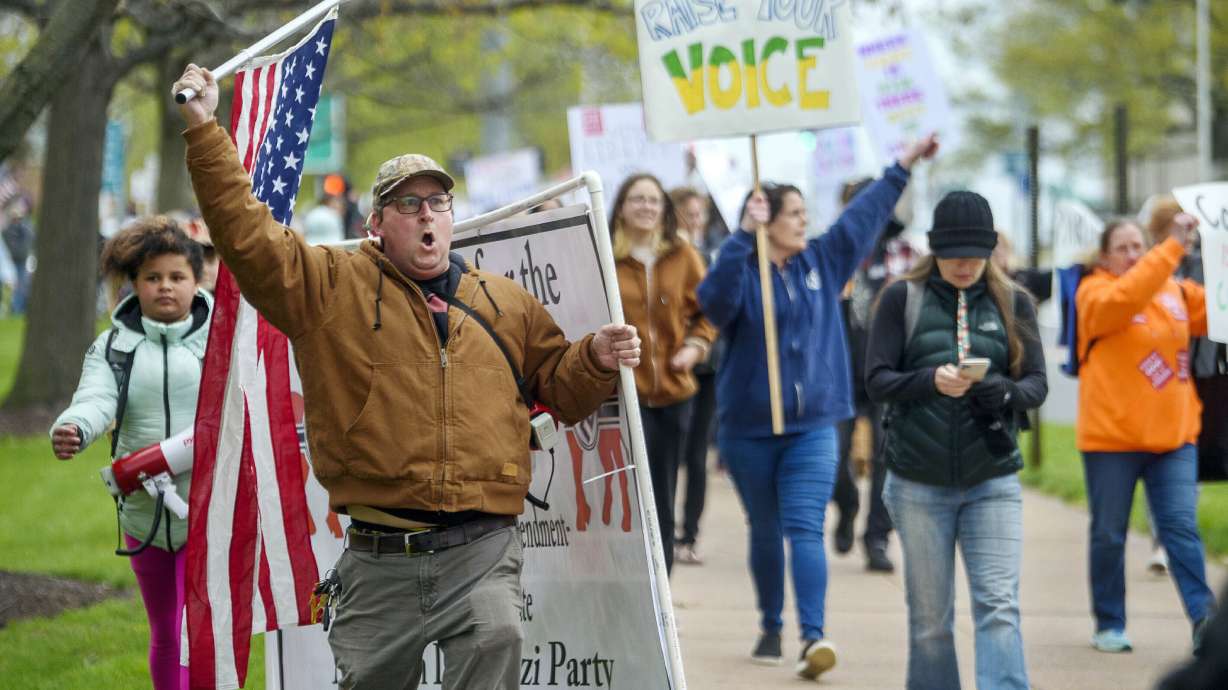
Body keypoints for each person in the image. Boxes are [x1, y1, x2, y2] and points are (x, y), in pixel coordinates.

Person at [172, 64, 640, 689]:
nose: (427, 215)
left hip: (482, 548)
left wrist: (596, 359)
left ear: (452, 215)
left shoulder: (504, 302)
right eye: (409, 203)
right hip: (378, 557)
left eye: (438, 202)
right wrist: (205, 130)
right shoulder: (328, 289)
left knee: (498, 634)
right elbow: (250, 241)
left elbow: (558, 385)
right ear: (376, 223)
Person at [697, 134, 938, 680]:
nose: (805, 221)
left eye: (806, 212)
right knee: (764, 527)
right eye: (794, 214)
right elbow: (713, 302)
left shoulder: (824, 262)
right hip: (748, 428)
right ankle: (770, 624)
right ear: (767, 221)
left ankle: (812, 636)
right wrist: (741, 237)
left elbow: (864, 215)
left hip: (812, 425)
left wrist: (901, 166)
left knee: (804, 525)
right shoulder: (742, 266)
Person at [865, 191, 1047, 690]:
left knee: (999, 606)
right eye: (953, 253)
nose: (964, 264)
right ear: (934, 249)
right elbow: (876, 380)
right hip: (916, 483)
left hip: (992, 479)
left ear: (989, 249)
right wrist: (929, 381)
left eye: (974, 253)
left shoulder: (1015, 302)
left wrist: (1002, 392)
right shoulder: (901, 298)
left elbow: (1036, 385)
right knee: (929, 621)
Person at [50, 217, 212, 690]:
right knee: (165, 630)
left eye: (177, 277)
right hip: (142, 515)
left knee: (193, 629)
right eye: (153, 278)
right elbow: (96, 398)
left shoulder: (220, 340)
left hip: (208, 511)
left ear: (195, 280)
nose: (165, 287)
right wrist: (74, 427)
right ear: (135, 285)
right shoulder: (114, 346)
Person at [1075, 216, 1216, 655]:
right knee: (1109, 533)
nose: (1134, 254)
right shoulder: (1095, 293)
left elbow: (1219, 309)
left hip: (1174, 439)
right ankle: (1110, 622)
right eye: (1124, 247)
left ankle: (1205, 623)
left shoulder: (1173, 291)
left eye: (1140, 245)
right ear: (1103, 257)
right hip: (1111, 442)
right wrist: (1169, 248)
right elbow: (1127, 294)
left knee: (1180, 529)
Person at [611, 174, 716, 574]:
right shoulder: (605, 255)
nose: (646, 207)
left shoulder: (683, 255)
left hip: (674, 394)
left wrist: (695, 346)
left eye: (654, 200)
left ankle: (663, 599)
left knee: (662, 496)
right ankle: (631, 589)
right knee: (629, 501)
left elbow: (707, 311)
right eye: (637, 199)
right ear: (621, 206)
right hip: (624, 394)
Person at [831, 176, 917, 573]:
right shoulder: (833, 252)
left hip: (888, 373)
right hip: (839, 374)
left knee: (886, 458)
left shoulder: (905, 255)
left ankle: (877, 539)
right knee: (834, 457)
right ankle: (847, 506)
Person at [669, 185, 720, 565]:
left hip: (706, 370)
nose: (697, 220)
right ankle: (667, 530)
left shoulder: (710, 254)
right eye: (689, 213)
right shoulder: (668, 256)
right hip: (669, 371)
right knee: (671, 455)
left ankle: (689, 534)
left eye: (700, 213)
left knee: (698, 452)